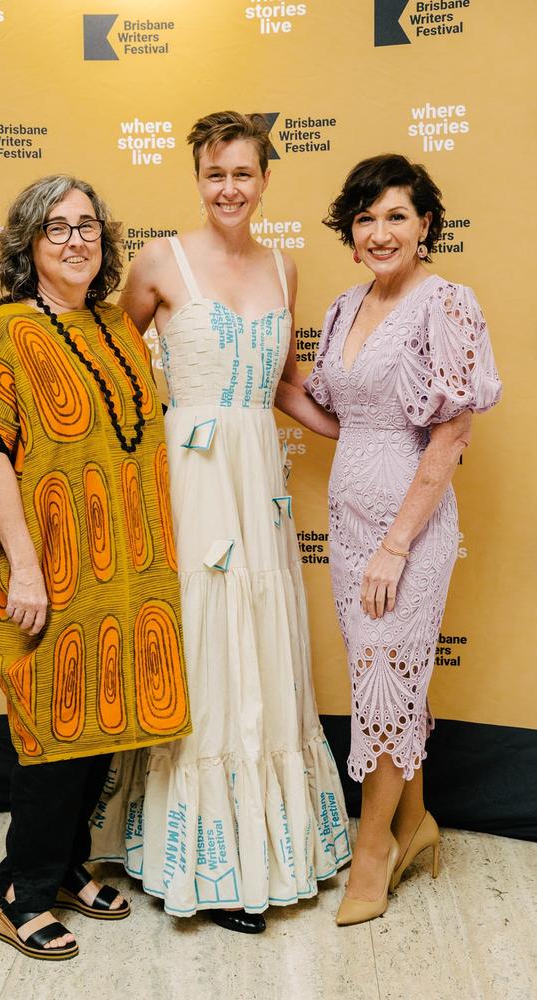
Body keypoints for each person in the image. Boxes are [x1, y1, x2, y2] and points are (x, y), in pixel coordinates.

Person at [90, 111, 351, 934]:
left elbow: (283, 385)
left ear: (266, 178)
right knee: (204, 640)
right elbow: (115, 367)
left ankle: (262, 851)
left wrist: (361, 430)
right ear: (196, 180)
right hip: (193, 480)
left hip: (258, 482)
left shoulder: (285, 266)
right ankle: (202, 861)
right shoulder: (160, 261)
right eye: (214, 174)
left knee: (262, 641)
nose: (229, 188)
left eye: (243, 173)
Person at [0, 175, 191, 960]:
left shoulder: (114, 328)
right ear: (28, 244)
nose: (75, 240)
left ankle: (59, 872)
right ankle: (15, 892)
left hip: (122, 572)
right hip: (50, 569)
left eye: (87, 226)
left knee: (104, 726)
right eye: (55, 228)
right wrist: (25, 568)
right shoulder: (6, 334)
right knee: (54, 732)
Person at [299, 154, 502, 925]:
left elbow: (450, 438)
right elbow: (339, 417)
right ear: (350, 233)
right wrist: (257, 377)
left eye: (395, 216)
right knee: (385, 684)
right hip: (347, 526)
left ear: (425, 226)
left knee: (385, 683)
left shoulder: (446, 304)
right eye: (365, 218)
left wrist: (395, 545)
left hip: (406, 534)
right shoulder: (348, 306)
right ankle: (416, 827)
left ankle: (373, 848)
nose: (379, 232)